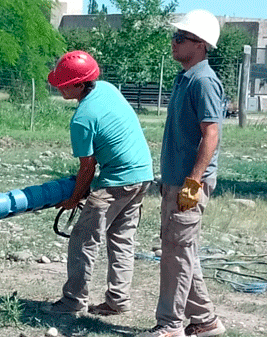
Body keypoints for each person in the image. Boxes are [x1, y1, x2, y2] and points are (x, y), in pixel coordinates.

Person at [45, 50, 154, 317]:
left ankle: (73, 301)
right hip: (143, 175)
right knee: (122, 239)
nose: (58, 87)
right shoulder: (106, 89)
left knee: (83, 240)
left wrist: (73, 199)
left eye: (63, 84)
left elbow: (87, 167)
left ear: (80, 85)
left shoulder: (82, 118)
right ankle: (118, 300)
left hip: (117, 180)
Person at [138, 9, 226, 337]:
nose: (174, 43)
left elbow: (211, 135)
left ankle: (171, 325)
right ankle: (205, 321)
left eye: (181, 37)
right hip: (176, 182)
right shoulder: (185, 77)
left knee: (175, 257)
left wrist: (193, 182)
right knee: (181, 251)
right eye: (175, 36)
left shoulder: (203, 81)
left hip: (189, 184)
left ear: (201, 44)